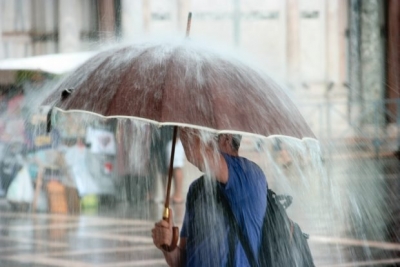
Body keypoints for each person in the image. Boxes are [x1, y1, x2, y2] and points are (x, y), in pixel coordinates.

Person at [152, 128, 267, 267]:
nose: (203, 140)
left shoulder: (249, 174)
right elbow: (183, 261)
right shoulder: (197, 188)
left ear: (227, 137)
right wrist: (169, 246)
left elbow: (195, 152)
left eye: (207, 134)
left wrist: (181, 121)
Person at [165, 135, 186, 204]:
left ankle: (178, 195)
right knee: (169, 166)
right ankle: (173, 194)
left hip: (174, 138)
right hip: (165, 137)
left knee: (176, 165)